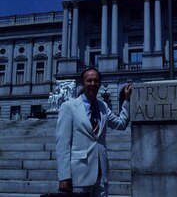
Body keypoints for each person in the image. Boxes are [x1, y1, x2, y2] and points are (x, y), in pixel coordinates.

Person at [55, 67, 132, 196]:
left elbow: (121, 124)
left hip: (101, 173)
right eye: (89, 80)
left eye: (96, 81)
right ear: (82, 83)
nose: (92, 84)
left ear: (100, 84)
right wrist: (64, 176)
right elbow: (62, 145)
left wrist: (127, 100)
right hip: (79, 173)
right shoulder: (68, 107)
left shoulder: (103, 107)